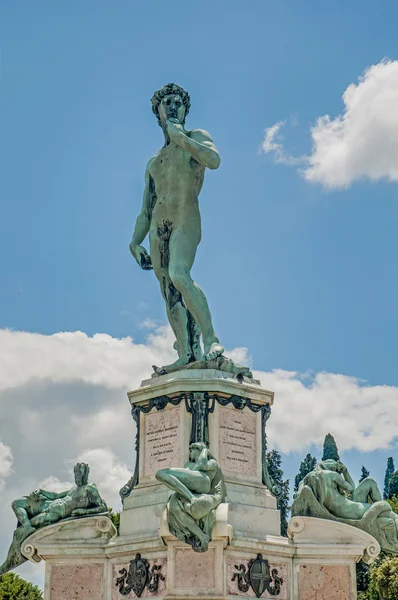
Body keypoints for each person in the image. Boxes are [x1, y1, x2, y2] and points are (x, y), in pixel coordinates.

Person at [129, 83, 224, 371]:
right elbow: (145, 209)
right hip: (160, 225)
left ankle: (211, 339)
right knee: (169, 290)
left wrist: (180, 137)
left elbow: (213, 160)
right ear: (157, 112)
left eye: (178, 103)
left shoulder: (195, 137)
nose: (172, 106)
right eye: (166, 102)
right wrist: (135, 242)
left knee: (179, 274)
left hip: (185, 217)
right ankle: (185, 351)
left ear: (185, 110)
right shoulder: (154, 162)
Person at [156, 442, 226, 551]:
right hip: (190, 488)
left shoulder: (212, 462)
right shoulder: (188, 465)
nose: (190, 453)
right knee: (174, 507)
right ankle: (202, 536)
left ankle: (191, 497)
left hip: (204, 482)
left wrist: (205, 450)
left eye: (192, 450)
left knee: (161, 473)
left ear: (198, 449)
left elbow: (203, 465)